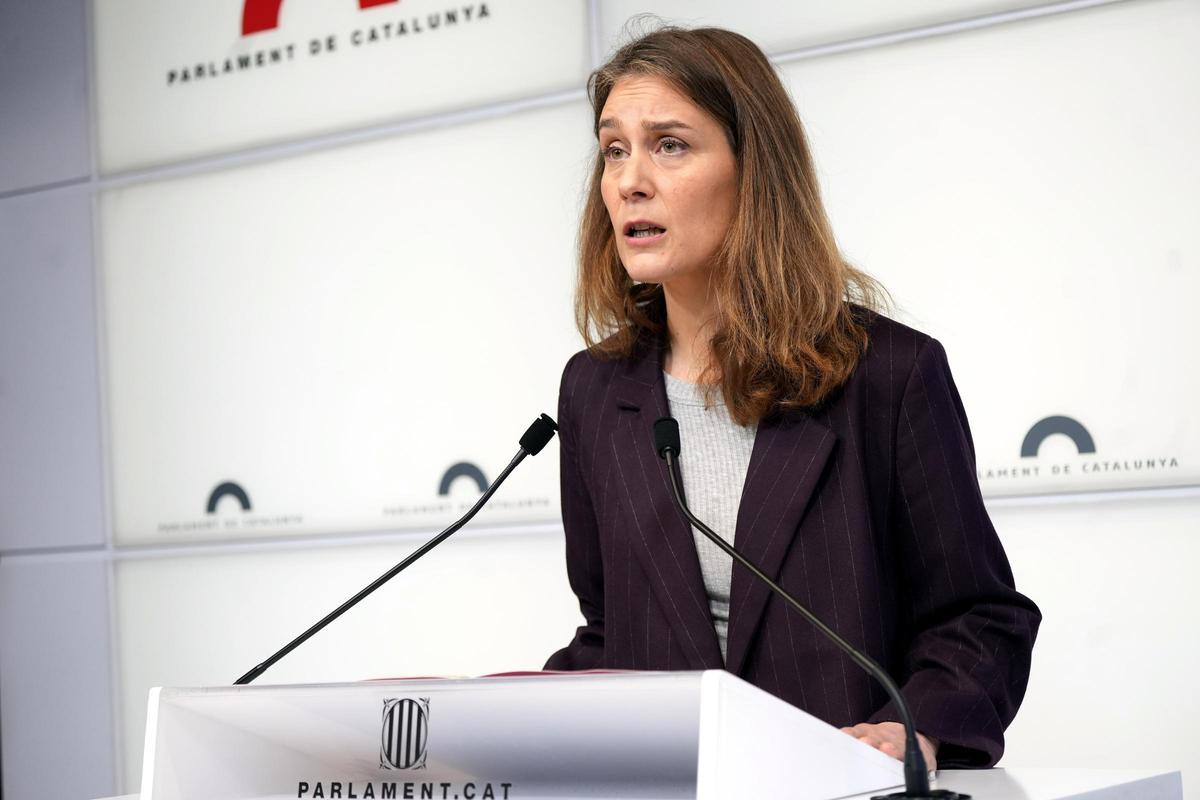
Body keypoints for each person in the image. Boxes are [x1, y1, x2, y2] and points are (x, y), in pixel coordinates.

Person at [544, 26, 1040, 771]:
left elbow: (978, 617)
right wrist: (505, 717)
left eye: (670, 145)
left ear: (755, 170)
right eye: (615, 149)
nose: (628, 181)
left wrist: (919, 729)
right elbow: (612, 629)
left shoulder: (887, 375)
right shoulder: (592, 388)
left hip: (837, 783)